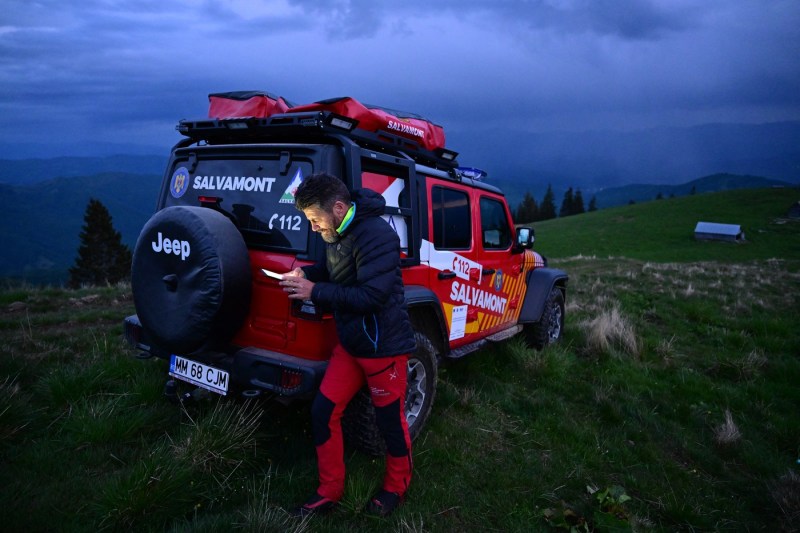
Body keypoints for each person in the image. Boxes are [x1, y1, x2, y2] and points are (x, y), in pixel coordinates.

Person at [279, 172, 416, 518]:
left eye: (314, 219)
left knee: (389, 422)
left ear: (338, 207)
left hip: (384, 347)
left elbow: (372, 295)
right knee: (323, 411)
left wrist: (315, 292)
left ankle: (396, 487)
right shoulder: (336, 231)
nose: (313, 228)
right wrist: (306, 276)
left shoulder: (378, 236)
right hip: (352, 345)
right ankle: (330, 490)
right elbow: (330, 271)